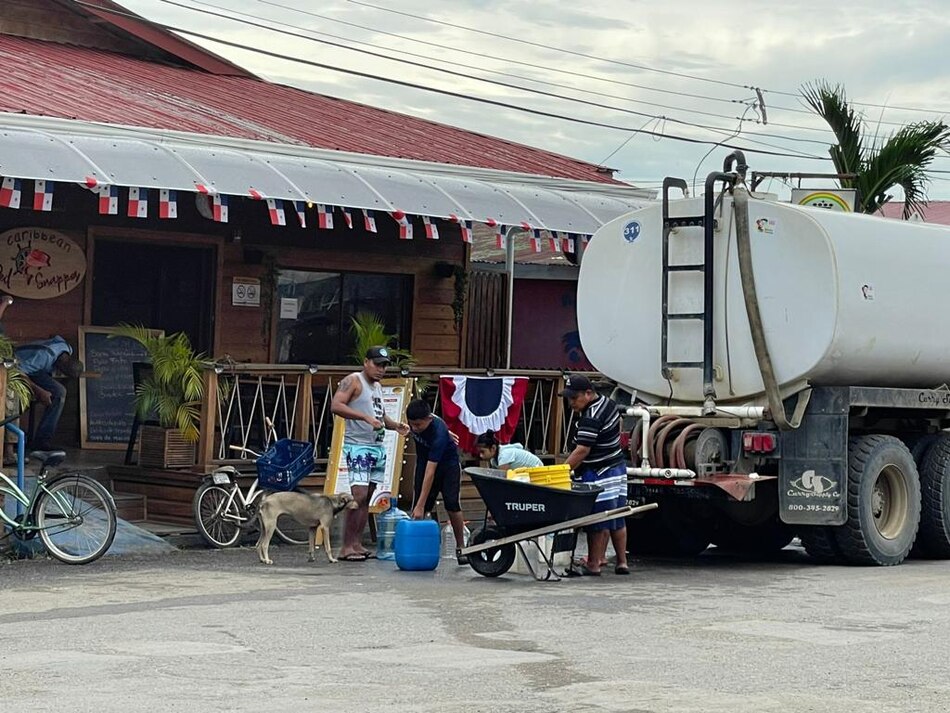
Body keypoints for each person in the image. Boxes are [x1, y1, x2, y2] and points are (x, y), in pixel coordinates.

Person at [330, 345, 409, 561]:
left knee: (369, 497)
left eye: (384, 365)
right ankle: (346, 546)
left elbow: (381, 416)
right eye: (377, 364)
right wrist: (363, 418)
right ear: (366, 362)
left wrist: (396, 426)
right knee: (359, 495)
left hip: (377, 445)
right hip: (358, 446)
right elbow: (336, 405)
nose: (381, 369)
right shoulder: (354, 380)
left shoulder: (377, 387)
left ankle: (357, 543)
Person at [561, 375, 629, 576]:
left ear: (588, 394)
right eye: (569, 398)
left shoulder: (590, 417)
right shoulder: (608, 403)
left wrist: (561, 471)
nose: (571, 403)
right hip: (617, 467)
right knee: (617, 517)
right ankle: (621, 562)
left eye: (574, 398)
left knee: (596, 520)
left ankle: (593, 564)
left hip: (600, 471)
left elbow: (582, 450)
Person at [405, 398, 469, 565]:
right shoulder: (418, 420)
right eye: (411, 424)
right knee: (418, 508)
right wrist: (419, 505)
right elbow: (425, 470)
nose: (414, 428)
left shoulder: (439, 433)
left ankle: (461, 547)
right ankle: (418, 550)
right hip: (423, 463)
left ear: (429, 419)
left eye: (418, 425)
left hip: (447, 467)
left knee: (452, 504)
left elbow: (431, 471)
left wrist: (421, 504)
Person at [13, 334, 84, 452]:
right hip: (18, 367)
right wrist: (40, 391)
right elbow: (18, 372)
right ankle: (27, 440)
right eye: (61, 371)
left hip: (38, 371)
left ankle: (42, 440)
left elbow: (57, 337)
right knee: (30, 394)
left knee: (60, 392)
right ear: (61, 365)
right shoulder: (44, 356)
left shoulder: (67, 349)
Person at [475, 430, 543, 470]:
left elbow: (502, 479)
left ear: (493, 448)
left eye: (483, 452)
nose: (481, 455)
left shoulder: (504, 455)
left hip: (537, 470)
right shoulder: (494, 460)